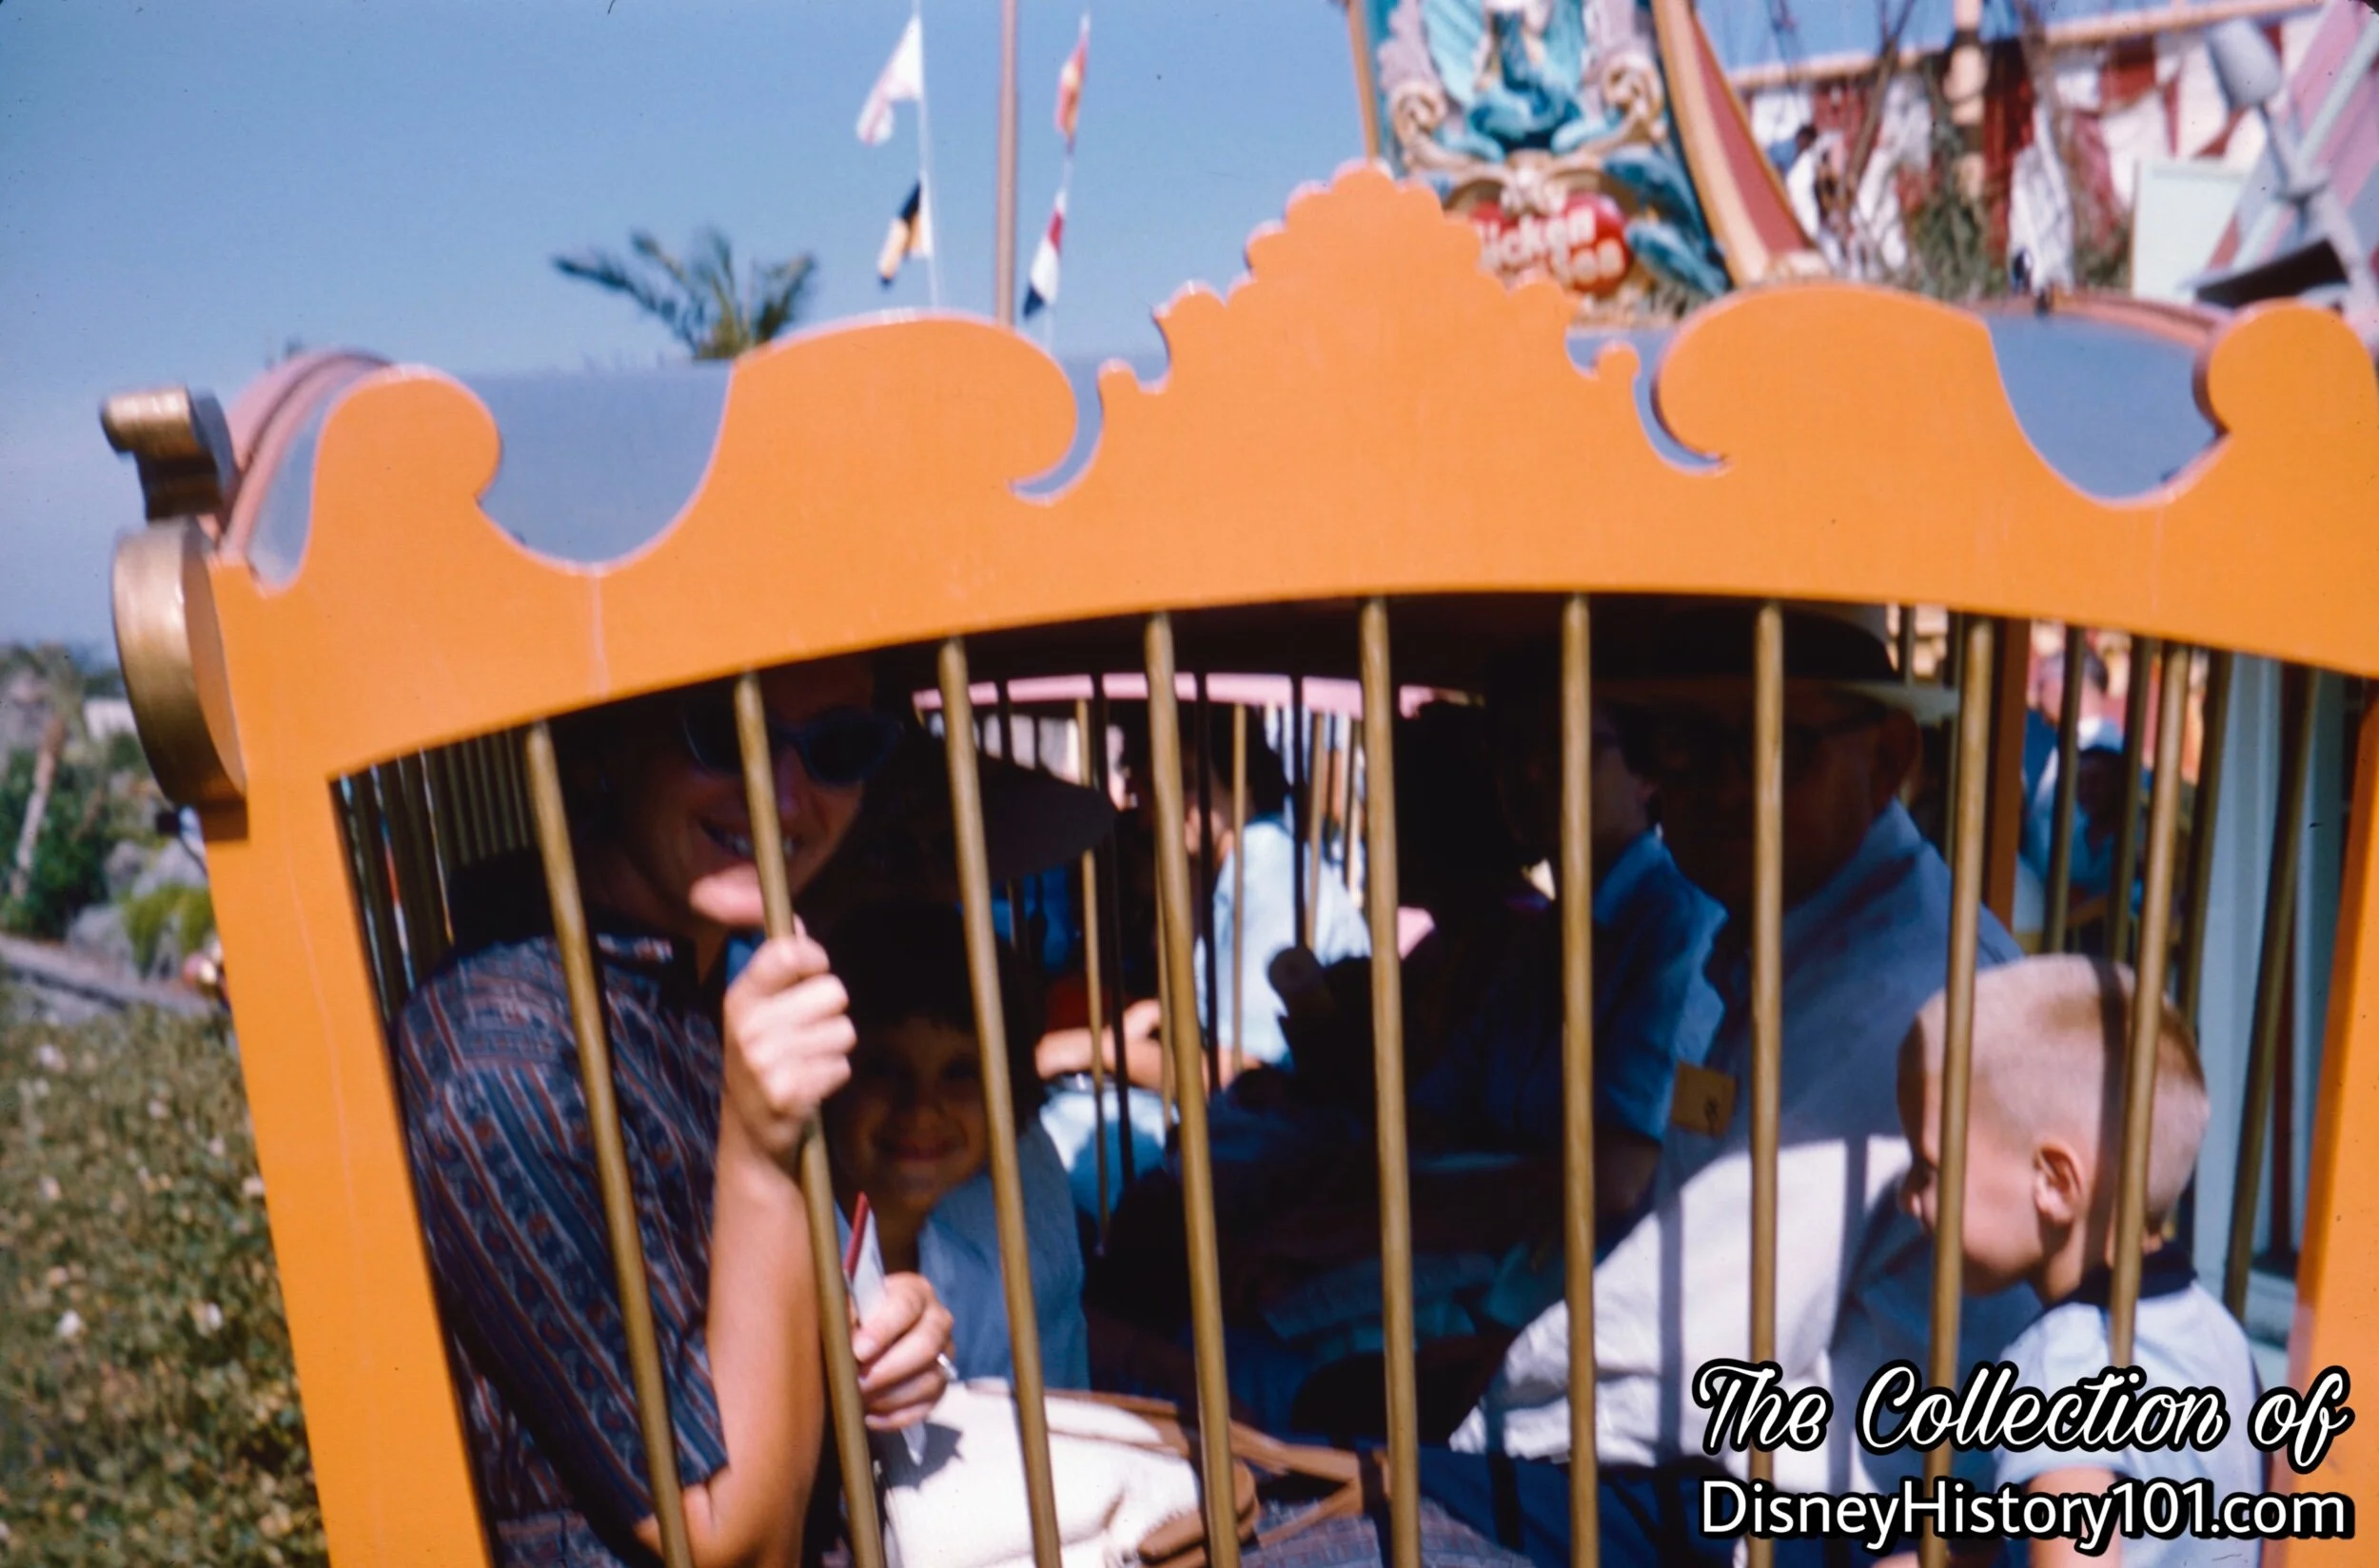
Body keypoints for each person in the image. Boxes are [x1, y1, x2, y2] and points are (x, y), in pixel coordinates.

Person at [1432, 602, 2035, 1567]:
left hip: (1850, 1518)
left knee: (1381, 1495)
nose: (1709, 787)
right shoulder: (1778, 938)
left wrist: (1475, 1428)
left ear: (1885, 760)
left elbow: (1682, 1342)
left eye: (1763, 747)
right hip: (1769, 1459)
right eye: (1680, 745)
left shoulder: (1891, 995)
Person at [394, 664, 954, 1568]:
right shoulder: (509, 1066)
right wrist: (762, 1155)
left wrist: (883, 1341)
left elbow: (754, 1352)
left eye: (840, 748)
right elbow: (734, 1539)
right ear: (599, 750)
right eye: (724, 735)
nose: (784, 795)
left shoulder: (686, 993)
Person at [1892, 957, 2258, 1568]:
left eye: (1930, 1169)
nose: (1908, 1196)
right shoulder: (2215, 1333)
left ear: (2056, 1183)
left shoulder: (2061, 1370)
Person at [1411, 663, 1724, 1227]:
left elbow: (1617, 1180)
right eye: (1510, 746)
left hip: (1597, 1277)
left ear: (1645, 773)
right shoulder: (1536, 942)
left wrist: (1410, 1208)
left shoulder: (1676, 931)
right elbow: (1438, 1109)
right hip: (1497, 1253)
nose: (1529, 770)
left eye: (1563, 743)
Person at [1036, 709, 1368, 1221]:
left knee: (1056, 1142)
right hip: (1248, 1127)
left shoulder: (1268, 886)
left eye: (1186, 784)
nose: (1159, 814)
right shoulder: (1236, 872)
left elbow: (1244, 1075)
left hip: (1289, 1145)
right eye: (1150, 793)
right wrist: (1155, 1011)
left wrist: (1097, 1048)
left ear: (1244, 781)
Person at [824, 899, 1090, 1389]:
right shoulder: (793, 1265)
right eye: (883, 1069)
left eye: (959, 1073)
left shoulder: (986, 1277)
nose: (922, 1108)